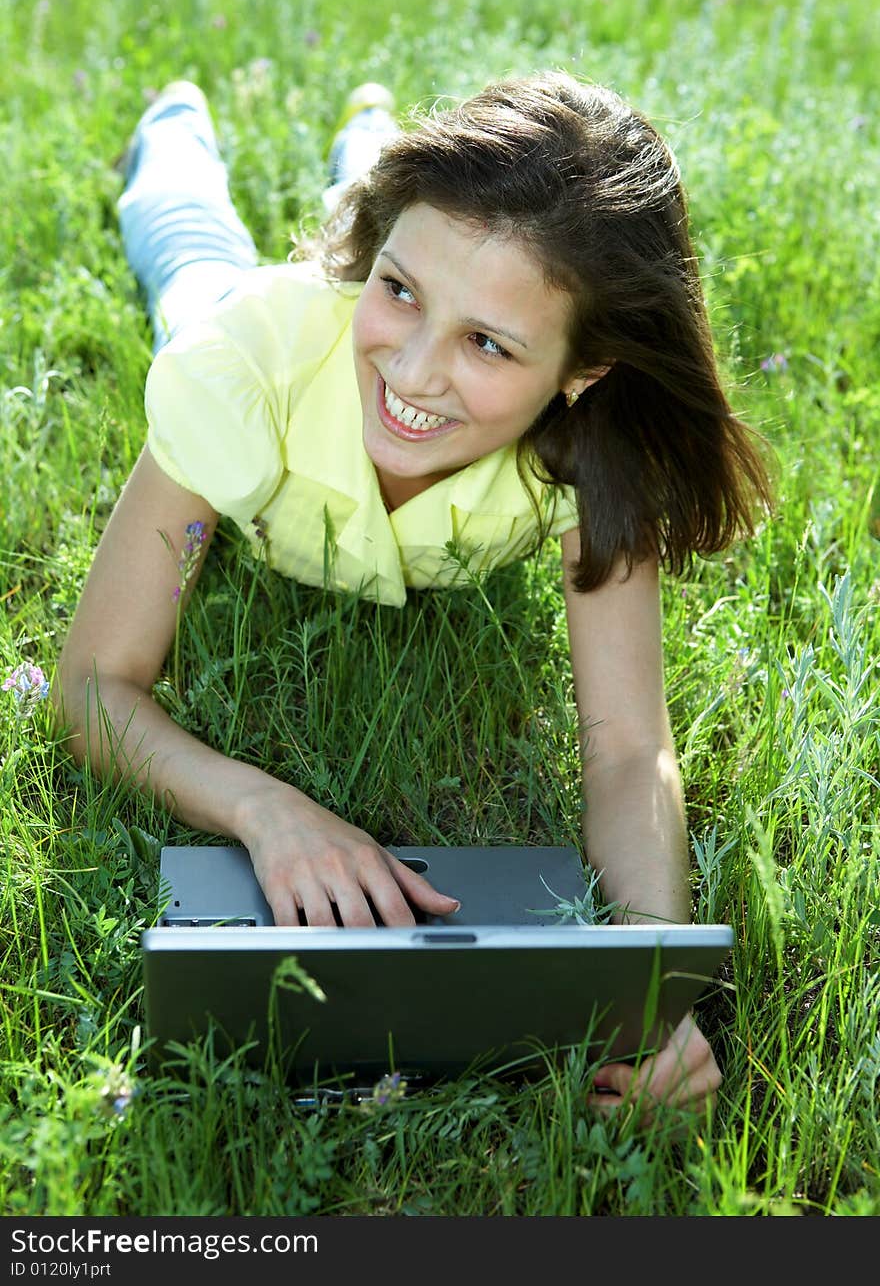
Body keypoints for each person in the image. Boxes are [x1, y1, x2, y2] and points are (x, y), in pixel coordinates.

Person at [53, 69, 771, 1117]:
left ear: (584, 371)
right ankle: (175, 124)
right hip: (251, 326)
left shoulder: (596, 451)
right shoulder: (240, 371)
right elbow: (88, 686)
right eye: (400, 289)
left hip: (403, 270)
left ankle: (369, 137)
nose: (417, 374)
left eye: (488, 342)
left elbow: (627, 749)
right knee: (191, 252)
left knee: (387, 233)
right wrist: (265, 809)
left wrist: (649, 980)